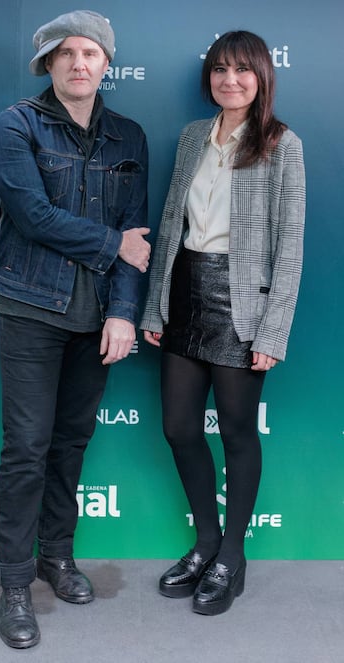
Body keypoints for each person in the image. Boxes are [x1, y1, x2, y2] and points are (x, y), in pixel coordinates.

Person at [0, 10, 150, 648]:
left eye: (91, 53)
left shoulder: (129, 136)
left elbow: (139, 242)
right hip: (31, 309)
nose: (79, 63)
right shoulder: (17, 124)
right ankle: (13, 583)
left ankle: (57, 557)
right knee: (26, 448)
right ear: (48, 64)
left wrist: (122, 312)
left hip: (96, 320)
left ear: (106, 63)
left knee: (69, 446)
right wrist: (112, 244)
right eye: (67, 54)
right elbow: (32, 215)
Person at [141, 30, 305, 616]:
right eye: (219, 70)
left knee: (236, 432)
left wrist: (273, 331)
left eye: (242, 71)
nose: (229, 80)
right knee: (179, 427)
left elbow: (289, 249)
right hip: (186, 291)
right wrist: (155, 304)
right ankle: (205, 543)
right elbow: (169, 225)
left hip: (243, 304)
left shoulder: (282, 144)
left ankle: (232, 556)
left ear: (261, 77)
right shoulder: (191, 137)